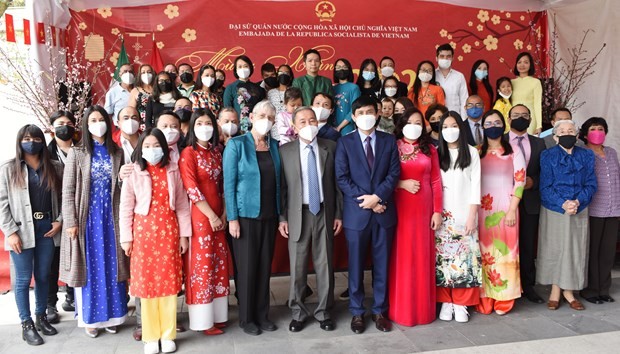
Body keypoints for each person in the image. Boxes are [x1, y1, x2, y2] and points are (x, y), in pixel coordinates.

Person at [60, 105, 129, 337]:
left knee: (113, 266)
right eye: (93, 120)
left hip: (111, 218)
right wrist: (71, 221)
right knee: (90, 269)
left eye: (101, 119)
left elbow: (122, 188)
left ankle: (114, 316)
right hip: (87, 219)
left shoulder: (117, 152)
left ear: (108, 124)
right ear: (86, 125)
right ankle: (91, 318)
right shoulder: (77, 153)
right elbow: (68, 190)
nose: (98, 123)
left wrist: (121, 179)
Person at [119, 128, 190, 354]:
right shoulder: (133, 172)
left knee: (168, 286)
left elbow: (181, 205)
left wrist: (184, 235)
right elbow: (126, 208)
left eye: (156, 145)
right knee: (147, 286)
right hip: (142, 235)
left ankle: (168, 334)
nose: (152, 150)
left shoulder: (173, 170)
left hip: (169, 233)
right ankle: (150, 336)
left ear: (164, 147)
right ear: (140, 149)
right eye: (147, 146)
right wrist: (126, 238)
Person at [335, 95, 400, 334]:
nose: (366, 116)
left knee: (382, 265)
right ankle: (357, 312)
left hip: (384, 213)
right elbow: (342, 178)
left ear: (379, 113)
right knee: (355, 266)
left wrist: (378, 197)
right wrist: (370, 202)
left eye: (370, 111)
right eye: (360, 112)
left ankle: (380, 310)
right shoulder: (345, 142)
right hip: (357, 214)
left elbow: (393, 174)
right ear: (353, 117)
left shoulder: (388, 141)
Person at [278, 106, 343, 333]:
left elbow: (337, 185)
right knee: (297, 267)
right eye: (303, 122)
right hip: (298, 214)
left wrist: (338, 214)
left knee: (324, 264)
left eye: (312, 120)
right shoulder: (284, 151)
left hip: (324, 212)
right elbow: (282, 189)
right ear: (294, 127)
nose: (309, 125)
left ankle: (324, 311)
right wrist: (283, 217)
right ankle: (297, 312)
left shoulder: (331, 147)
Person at [0, 124, 63, 345]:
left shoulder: (54, 167)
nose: (32, 142)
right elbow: (2, 203)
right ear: (19, 141)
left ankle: (41, 316)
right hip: (21, 230)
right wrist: (10, 232)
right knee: (23, 279)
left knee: (44, 275)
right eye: (27, 138)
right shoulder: (9, 169)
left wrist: (59, 220)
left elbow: (66, 198)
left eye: (36, 138)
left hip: (47, 227)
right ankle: (26, 324)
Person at [223, 100, 281, 336]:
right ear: (252, 117)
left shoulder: (275, 146)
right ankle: (247, 318)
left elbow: (279, 182)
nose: (266, 120)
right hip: (244, 216)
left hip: (270, 215)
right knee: (246, 269)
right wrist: (233, 219)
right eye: (262, 115)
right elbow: (229, 184)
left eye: (270, 117)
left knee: (264, 267)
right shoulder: (237, 145)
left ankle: (262, 314)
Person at [388, 108, 442, 326]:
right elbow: (382, 176)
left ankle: (423, 310)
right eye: (410, 121)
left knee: (422, 256)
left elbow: (436, 181)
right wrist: (400, 184)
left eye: (418, 122)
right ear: (402, 124)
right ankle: (401, 310)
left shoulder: (430, 149)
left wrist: (437, 210)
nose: (414, 125)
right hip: (400, 206)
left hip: (424, 208)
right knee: (402, 256)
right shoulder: (392, 146)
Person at [179, 109, 230, 334]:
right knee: (202, 265)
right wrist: (211, 216)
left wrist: (224, 215)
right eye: (199, 123)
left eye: (208, 122)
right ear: (192, 126)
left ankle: (218, 315)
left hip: (219, 213)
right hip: (201, 216)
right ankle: (202, 320)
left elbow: (224, 185)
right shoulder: (188, 153)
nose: (205, 127)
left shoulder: (218, 152)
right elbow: (192, 188)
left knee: (219, 263)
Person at [538, 119, 596, 311]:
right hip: (555, 207)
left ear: (577, 135)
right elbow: (545, 187)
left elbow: (591, 184)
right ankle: (555, 289)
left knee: (575, 250)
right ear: (555, 137)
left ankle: (569, 291)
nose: (567, 134)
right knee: (555, 249)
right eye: (562, 131)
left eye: (571, 130)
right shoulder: (547, 156)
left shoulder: (586, 155)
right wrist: (563, 203)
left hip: (579, 207)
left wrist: (578, 201)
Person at [476, 110, 526, 316]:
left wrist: (513, 209)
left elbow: (520, 180)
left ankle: (504, 299)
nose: (493, 125)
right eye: (489, 123)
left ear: (504, 125)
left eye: (497, 122)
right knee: (484, 253)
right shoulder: (477, 151)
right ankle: (485, 296)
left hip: (507, 208)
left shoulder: (513, 149)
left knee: (506, 252)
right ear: (483, 127)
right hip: (481, 210)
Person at [435, 111, 482, 323]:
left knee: (465, 261)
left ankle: (462, 303)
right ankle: (446, 301)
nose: (449, 130)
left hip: (465, 214)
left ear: (461, 129)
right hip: (442, 216)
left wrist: (472, 216)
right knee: (444, 260)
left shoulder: (472, 153)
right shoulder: (436, 153)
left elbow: (475, 187)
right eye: (445, 127)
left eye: (453, 125)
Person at [504, 104, 546, 304]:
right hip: (504, 202)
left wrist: (533, 182)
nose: (520, 118)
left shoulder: (539, 143)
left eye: (525, 115)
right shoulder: (499, 140)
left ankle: (528, 286)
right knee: (506, 245)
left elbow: (545, 172)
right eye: (516, 115)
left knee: (528, 245)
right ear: (508, 118)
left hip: (529, 201)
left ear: (530, 118)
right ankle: (508, 285)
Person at [578, 117, 619, 304]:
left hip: (613, 209)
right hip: (593, 208)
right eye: (593, 129)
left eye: (601, 128)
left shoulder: (611, 153)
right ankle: (591, 290)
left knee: (607, 251)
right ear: (585, 134)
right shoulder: (583, 153)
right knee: (592, 251)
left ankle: (604, 289)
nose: (598, 132)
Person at [46, 111, 77, 322]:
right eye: (59, 124)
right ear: (52, 128)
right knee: (52, 261)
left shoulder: (83, 150)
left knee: (75, 257)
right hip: (54, 213)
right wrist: (58, 218)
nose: (64, 127)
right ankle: (50, 304)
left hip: (77, 212)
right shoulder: (46, 155)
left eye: (68, 123)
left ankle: (73, 296)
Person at [223, 55, 266, 134]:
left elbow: (262, 109)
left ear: (250, 68)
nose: (243, 69)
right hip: (237, 130)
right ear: (236, 70)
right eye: (239, 67)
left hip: (256, 128)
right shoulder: (230, 88)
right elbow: (228, 111)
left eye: (245, 66)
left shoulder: (259, 89)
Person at [511, 52, 542, 135]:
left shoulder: (535, 82)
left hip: (529, 118)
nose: (522, 65)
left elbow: (537, 104)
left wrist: (539, 125)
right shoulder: (511, 83)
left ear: (530, 65)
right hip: (513, 117)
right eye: (519, 62)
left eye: (526, 62)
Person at [434, 44, 468, 118]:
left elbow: (464, 100)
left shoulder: (459, 76)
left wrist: (463, 121)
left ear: (452, 58)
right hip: (436, 119)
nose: (445, 59)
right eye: (442, 56)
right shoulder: (432, 76)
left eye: (448, 56)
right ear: (436, 58)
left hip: (455, 118)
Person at [333, 58, 361, 136]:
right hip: (332, 128)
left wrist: (339, 127)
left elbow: (354, 110)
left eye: (344, 67)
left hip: (347, 128)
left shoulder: (354, 87)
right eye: (338, 67)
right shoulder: (333, 88)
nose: (341, 69)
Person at [128, 63, 155, 130]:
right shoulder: (135, 90)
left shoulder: (158, 88)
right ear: (140, 75)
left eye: (149, 72)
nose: (146, 74)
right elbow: (131, 110)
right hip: (143, 125)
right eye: (143, 72)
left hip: (159, 123)